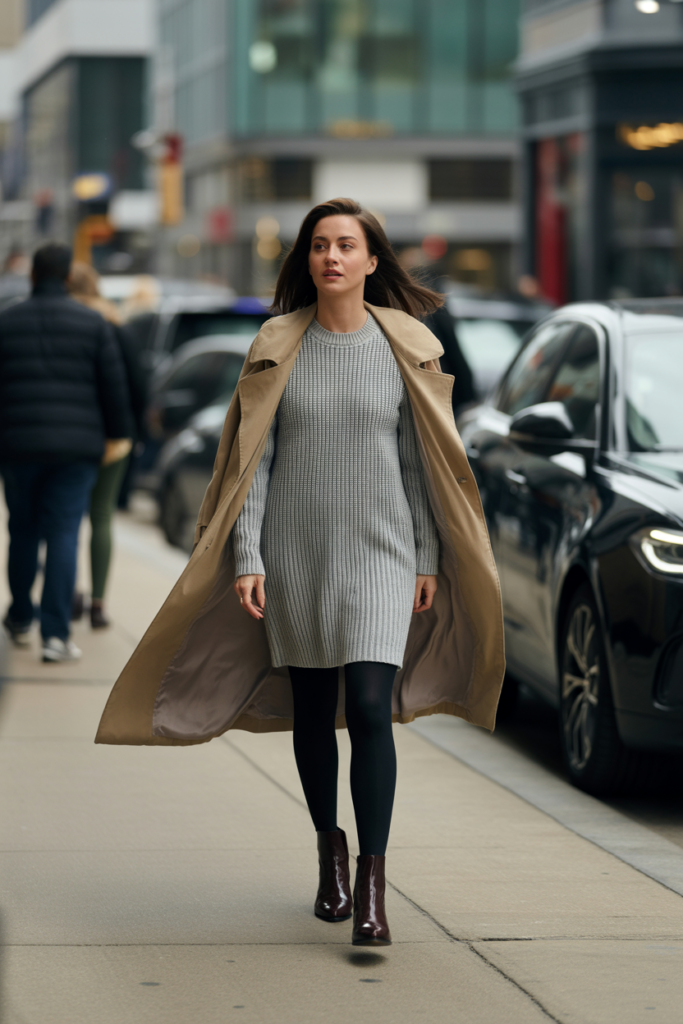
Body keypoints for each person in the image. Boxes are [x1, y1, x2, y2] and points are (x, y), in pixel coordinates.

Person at [95, 199, 505, 949]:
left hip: (382, 554)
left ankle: (375, 887)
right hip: (295, 555)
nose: (332, 258)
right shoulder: (277, 342)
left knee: (372, 708)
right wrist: (247, 558)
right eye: (319, 246)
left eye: (347, 246)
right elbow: (254, 465)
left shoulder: (405, 345)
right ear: (307, 260)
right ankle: (330, 856)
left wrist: (425, 556)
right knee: (315, 712)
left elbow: (420, 464)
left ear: (372, 261)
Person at [0, 243, 132, 662]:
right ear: (66, 277)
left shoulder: (6, 322)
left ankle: (21, 615)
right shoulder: (93, 324)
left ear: (34, 277)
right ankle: (55, 635)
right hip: (76, 451)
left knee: (21, 530)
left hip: (17, 448)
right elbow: (114, 391)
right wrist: (117, 437)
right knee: (63, 534)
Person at [67, 262, 147, 628]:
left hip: (73, 436)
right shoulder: (118, 326)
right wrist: (134, 433)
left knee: (66, 520)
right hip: (114, 440)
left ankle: (69, 594)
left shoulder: (65, 325)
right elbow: (137, 385)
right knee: (102, 517)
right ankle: (99, 603)